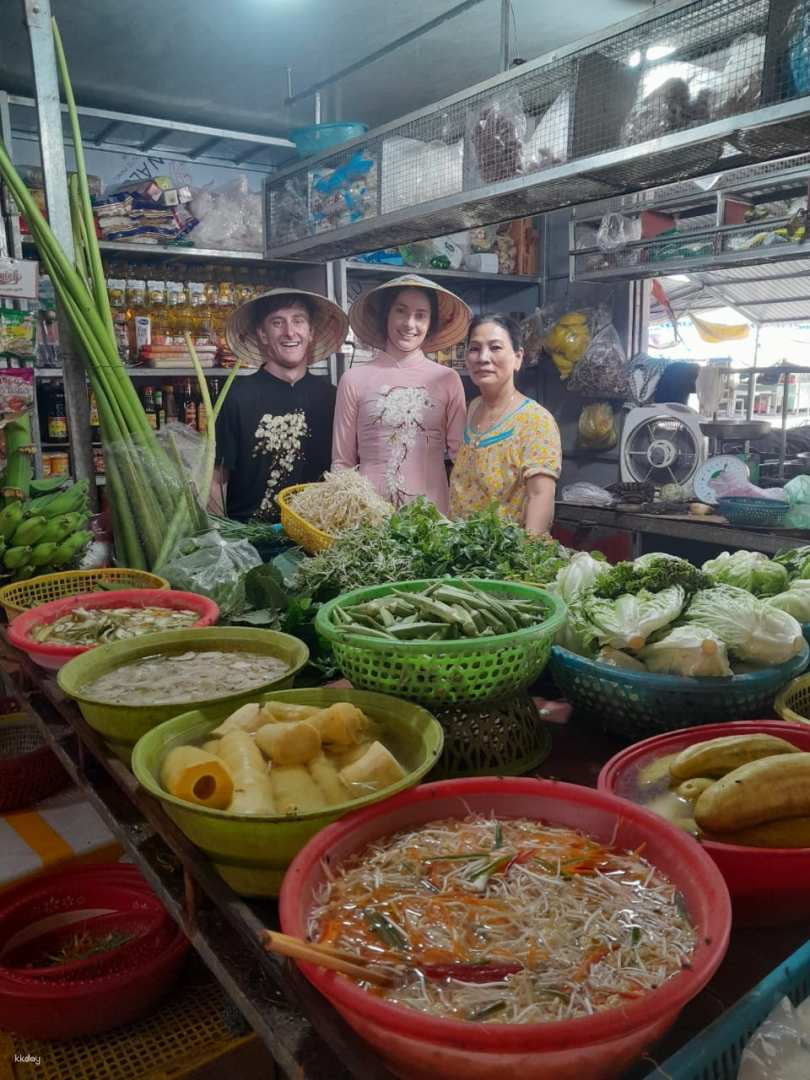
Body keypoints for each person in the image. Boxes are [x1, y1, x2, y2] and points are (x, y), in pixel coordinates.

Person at [332, 274, 470, 513]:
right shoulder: (353, 379)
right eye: (401, 311)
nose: (409, 324)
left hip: (432, 517)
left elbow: (463, 460)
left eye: (420, 315)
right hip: (369, 517)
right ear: (386, 315)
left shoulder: (447, 379)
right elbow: (342, 463)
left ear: (431, 323)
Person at [212, 287, 349, 521]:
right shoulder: (235, 396)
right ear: (263, 334)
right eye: (277, 323)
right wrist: (225, 539)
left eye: (298, 321)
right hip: (252, 540)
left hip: (315, 535)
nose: (289, 332)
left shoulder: (333, 397)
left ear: (311, 332)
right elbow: (216, 479)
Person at [450, 314, 561, 536]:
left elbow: (541, 496)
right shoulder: (473, 409)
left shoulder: (535, 420)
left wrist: (525, 560)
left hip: (508, 560)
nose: (483, 357)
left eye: (495, 347)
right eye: (474, 349)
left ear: (518, 357)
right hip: (463, 556)